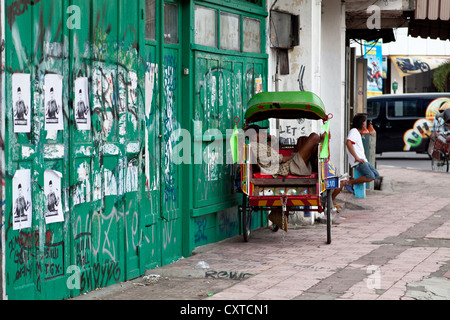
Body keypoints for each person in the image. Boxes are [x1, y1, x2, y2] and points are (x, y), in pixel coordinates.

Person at [246, 125, 324, 177]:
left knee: (302, 139)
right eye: (261, 133)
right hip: (288, 167)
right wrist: (290, 157)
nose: (264, 135)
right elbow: (277, 159)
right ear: (253, 137)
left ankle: (311, 163)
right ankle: (322, 142)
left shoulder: (262, 144)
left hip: (287, 163)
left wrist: (267, 135)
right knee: (314, 137)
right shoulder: (255, 146)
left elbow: (275, 141)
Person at [345, 114, 380, 193]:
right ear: (361, 123)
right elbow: (348, 143)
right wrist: (356, 158)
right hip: (359, 162)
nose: (365, 124)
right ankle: (350, 183)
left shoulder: (357, 133)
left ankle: (351, 181)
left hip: (364, 160)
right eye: (364, 122)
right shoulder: (354, 131)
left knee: (376, 175)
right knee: (370, 176)